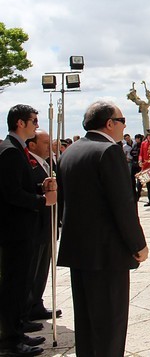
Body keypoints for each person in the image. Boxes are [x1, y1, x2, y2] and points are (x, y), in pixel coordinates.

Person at [57, 101, 148, 356]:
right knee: (110, 326)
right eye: (121, 121)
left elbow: (64, 203)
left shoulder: (70, 152)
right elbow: (122, 204)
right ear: (110, 123)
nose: (124, 126)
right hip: (108, 255)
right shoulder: (108, 151)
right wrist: (138, 245)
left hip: (79, 252)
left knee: (86, 324)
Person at [0, 106, 57, 357]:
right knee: (13, 284)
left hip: (21, 229)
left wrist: (39, 186)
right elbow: (10, 193)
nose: (37, 125)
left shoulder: (17, 149)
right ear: (21, 123)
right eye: (34, 121)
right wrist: (41, 200)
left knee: (21, 282)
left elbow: (19, 184)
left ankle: (18, 329)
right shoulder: (10, 151)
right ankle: (10, 341)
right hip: (15, 231)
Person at [24, 130, 62, 323]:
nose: (51, 146)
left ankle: (36, 303)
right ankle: (26, 308)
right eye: (46, 143)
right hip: (35, 225)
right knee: (31, 269)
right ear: (32, 146)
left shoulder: (49, 163)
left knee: (43, 268)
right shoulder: (28, 164)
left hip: (49, 223)